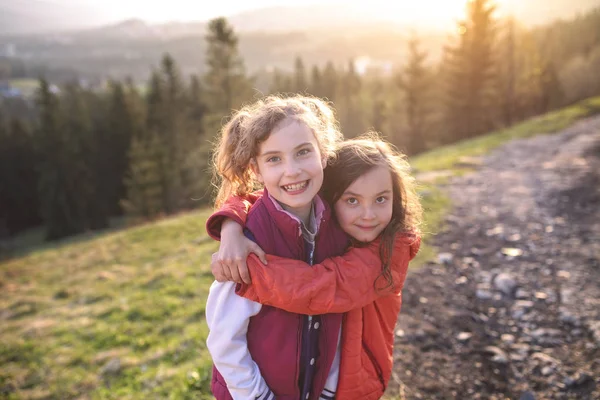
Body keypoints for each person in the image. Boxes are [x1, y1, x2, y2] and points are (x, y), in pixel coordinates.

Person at [208, 136, 423, 399]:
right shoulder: (333, 232)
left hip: (357, 379)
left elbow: (320, 288)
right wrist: (231, 225)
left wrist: (248, 271)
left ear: (396, 199)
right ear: (329, 200)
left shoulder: (394, 248)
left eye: (381, 199)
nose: (368, 215)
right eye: (352, 200)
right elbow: (261, 196)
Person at [205, 95, 350, 400]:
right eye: (274, 159)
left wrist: (328, 386)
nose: (292, 170)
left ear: (323, 154)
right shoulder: (249, 241)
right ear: (256, 170)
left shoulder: (338, 228)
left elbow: (338, 315)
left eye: (303, 152)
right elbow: (224, 338)